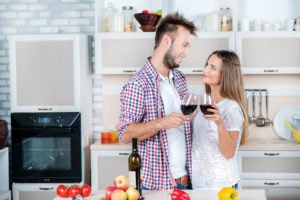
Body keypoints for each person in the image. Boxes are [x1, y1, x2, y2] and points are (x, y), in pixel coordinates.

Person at [116, 12, 196, 190]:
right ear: (166, 41)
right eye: (184, 45)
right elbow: (125, 134)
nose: (187, 53)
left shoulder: (179, 78)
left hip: (187, 180)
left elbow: (184, 125)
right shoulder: (138, 84)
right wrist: (161, 123)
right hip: (158, 186)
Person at [192, 50, 248, 189]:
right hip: (198, 183)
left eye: (213, 67)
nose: (205, 70)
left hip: (221, 184)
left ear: (225, 75)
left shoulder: (231, 108)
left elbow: (229, 153)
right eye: (207, 64)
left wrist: (220, 124)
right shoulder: (204, 103)